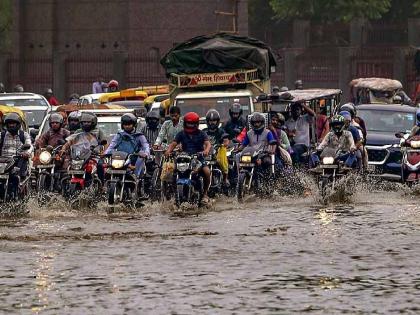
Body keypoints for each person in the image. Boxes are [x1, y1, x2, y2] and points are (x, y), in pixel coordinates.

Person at [165, 112, 212, 204]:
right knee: (171, 171)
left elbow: (207, 143)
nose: (190, 125)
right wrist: (168, 151)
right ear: (185, 123)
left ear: (196, 124)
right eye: (188, 123)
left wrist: (206, 150)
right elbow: (174, 143)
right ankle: (171, 193)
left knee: (207, 172)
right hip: (184, 158)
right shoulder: (181, 134)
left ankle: (205, 193)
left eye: (192, 124)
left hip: (198, 158)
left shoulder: (201, 134)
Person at [60, 112, 105, 181]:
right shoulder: (78, 131)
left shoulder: (98, 131)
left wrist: (104, 152)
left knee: (100, 165)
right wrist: (63, 148)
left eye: (88, 122)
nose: (86, 124)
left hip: (94, 156)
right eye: (84, 122)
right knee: (67, 166)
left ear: (93, 122)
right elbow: (70, 141)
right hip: (80, 155)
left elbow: (105, 143)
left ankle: (102, 185)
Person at [104, 113, 150, 178]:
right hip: (121, 159)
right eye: (125, 124)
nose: (127, 126)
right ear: (122, 125)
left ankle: (136, 178)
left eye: (129, 124)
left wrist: (146, 153)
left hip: (135, 158)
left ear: (134, 124)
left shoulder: (139, 136)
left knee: (140, 159)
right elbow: (112, 145)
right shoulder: (119, 135)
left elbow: (145, 145)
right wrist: (106, 153)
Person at [0, 113, 33, 181]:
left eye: (13, 123)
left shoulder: (24, 135)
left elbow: (29, 145)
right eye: (9, 123)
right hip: (3, 160)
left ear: (18, 124)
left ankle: (20, 182)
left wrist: (26, 153)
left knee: (18, 173)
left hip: (17, 160)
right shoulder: (2, 135)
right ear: (6, 125)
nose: (11, 125)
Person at [203, 109, 230, 186]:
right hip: (206, 153)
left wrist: (225, 143)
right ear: (207, 121)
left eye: (214, 120)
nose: (212, 122)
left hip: (217, 152)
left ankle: (225, 178)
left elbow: (226, 139)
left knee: (222, 161)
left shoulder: (221, 131)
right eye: (210, 121)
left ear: (217, 121)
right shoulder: (204, 131)